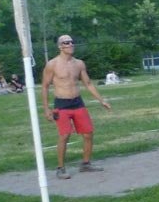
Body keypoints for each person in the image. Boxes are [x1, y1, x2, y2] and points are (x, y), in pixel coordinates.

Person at [41, 35, 112, 179]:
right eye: (67, 42)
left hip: (78, 102)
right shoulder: (52, 64)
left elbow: (88, 84)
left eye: (72, 42)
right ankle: (61, 168)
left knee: (88, 133)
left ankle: (86, 164)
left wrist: (101, 100)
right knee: (64, 135)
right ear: (60, 46)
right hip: (61, 104)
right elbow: (45, 86)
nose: (71, 44)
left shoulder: (79, 63)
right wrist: (46, 108)